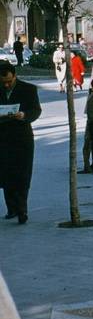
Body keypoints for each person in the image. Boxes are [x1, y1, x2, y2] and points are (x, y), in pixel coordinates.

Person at [0, 61, 41, 224]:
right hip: (2, 138)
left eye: (9, 81)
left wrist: (24, 115)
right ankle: (11, 208)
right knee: (5, 174)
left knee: (22, 174)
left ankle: (22, 209)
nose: (7, 84)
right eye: (3, 82)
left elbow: (36, 110)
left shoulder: (28, 89)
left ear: (15, 75)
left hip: (22, 137)